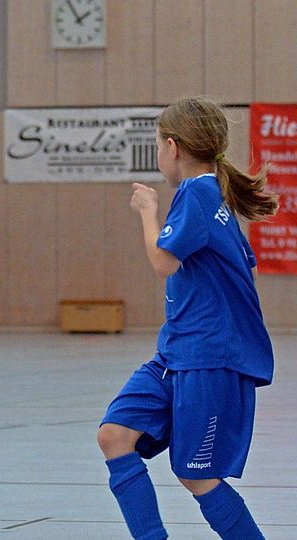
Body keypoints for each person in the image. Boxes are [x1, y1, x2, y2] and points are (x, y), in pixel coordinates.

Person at [97, 96, 278, 540]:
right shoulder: (212, 195)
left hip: (208, 358)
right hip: (178, 352)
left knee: (196, 474)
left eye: (159, 143)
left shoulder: (198, 193)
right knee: (115, 435)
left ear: (172, 147)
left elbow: (164, 261)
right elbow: (246, 268)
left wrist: (148, 212)